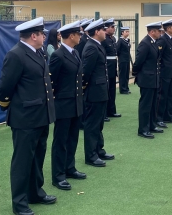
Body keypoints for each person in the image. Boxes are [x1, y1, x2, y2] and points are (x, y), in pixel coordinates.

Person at [0, 17, 56, 215]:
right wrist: (5, 103)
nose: (44, 36)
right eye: (42, 33)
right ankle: (20, 203)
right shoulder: (16, 55)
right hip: (25, 118)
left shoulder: (38, 52)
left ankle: (35, 193)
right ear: (33, 36)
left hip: (41, 115)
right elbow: (6, 85)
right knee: (22, 161)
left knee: (37, 157)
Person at [49, 20, 87, 191]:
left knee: (72, 138)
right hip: (63, 105)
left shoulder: (75, 53)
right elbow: (52, 82)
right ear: (71, 36)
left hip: (76, 103)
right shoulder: (58, 55)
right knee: (60, 141)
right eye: (78, 34)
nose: (80, 36)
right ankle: (58, 175)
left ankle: (69, 168)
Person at [82, 18, 115, 167]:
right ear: (96, 32)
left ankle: (98, 149)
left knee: (99, 123)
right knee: (92, 124)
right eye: (103, 29)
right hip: (94, 92)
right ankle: (91, 155)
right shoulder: (91, 47)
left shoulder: (98, 45)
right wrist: (85, 88)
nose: (105, 32)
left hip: (101, 91)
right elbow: (85, 72)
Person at [132, 22, 163, 139]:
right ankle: (143, 129)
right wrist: (135, 73)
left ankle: (151, 125)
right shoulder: (145, 43)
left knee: (153, 103)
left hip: (154, 78)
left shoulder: (153, 43)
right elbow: (139, 61)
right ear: (152, 32)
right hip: (146, 79)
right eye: (158, 31)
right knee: (146, 104)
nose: (160, 33)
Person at [156, 18, 172, 127]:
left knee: (170, 94)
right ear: (168, 28)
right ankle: (159, 118)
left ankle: (167, 115)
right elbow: (158, 56)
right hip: (164, 72)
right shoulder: (162, 40)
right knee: (162, 96)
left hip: (171, 71)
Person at [101, 18, 121, 119]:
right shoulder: (103, 39)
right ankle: (104, 113)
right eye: (112, 27)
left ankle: (112, 110)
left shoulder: (113, 39)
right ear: (106, 28)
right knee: (106, 91)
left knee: (112, 90)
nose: (114, 29)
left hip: (112, 67)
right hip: (107, 67)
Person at [117, 26, 131, 94]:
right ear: (122, 33)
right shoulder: (120, 41)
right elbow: (117, 50)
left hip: (127, 59)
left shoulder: (127, 40)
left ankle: (126, 87)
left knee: (126, 74)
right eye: (126, 31)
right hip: (122, 60)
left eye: (128, 31)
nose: (128, 33)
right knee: (122, 75)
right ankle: (122, 89)